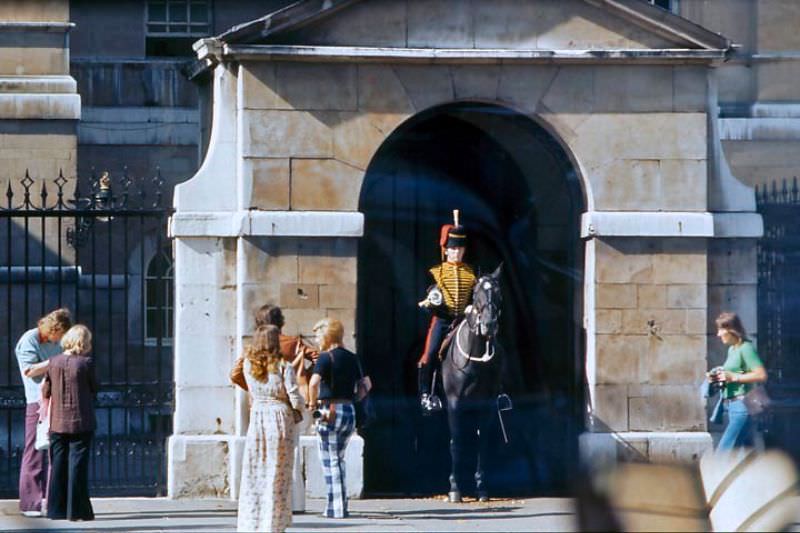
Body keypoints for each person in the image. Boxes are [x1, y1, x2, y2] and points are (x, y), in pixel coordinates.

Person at [237, 325, 303, 533]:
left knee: (255, 471)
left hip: (258, 417)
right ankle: (274, 524)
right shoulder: (284, 365)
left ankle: (251, 522)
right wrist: (300, 409)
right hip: (279, 417)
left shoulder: (248, 364)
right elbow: (294, 395)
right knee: (279, 473)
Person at [14, 308, 72, 517]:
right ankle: (30, 503)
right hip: (38, 402)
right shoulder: (30, 340)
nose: (60, 341)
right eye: (60, 335)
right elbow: (29, 371)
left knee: (55, 451)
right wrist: (56, 362)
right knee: (34, 451)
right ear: (53, 329)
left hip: (56, 400)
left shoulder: (54, 342)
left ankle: (54, 501)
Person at [417, 210, 476, 413]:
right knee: (430, 353)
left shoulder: (471, 273)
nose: (457, 253)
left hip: (464, 320)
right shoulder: (436, 272)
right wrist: (433, 299)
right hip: (443, 319)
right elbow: (429, 293)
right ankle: (426, 393)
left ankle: (498, 391)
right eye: (453, 249)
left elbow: (476, 296)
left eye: (460, 249)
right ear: (446, 250)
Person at [41, 324, 97, 521]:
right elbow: (94, 388)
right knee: (77, 466)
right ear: (83, 342)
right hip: (81, 421)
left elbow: (46, 391)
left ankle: (56, 510)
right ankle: (76, 511)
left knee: (58, 465)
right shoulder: (85, 363)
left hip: (57, 422)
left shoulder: (53, 362)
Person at [307, 318, 360, 518]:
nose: (317, 340)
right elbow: (366, 385)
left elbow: (313, 383)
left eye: (318, 336)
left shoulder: (325, 357)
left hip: (329, 409)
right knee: (339, 459)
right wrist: (354, 398)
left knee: (329, 461)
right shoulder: (353, 358)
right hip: (349, 410)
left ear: (327, 336)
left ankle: (335, 509)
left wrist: (312, 404)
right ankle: (342, 505)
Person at [710, 312, 767, 451]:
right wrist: (717, 376)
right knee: (742, 453)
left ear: (731, 330)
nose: (718, 334)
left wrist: (733, 377)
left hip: (743, 406)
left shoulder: (746, 348)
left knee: (724, 451)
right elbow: (736, 372)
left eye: (721, 330)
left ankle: (715, 472)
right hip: (732, 406)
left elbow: (761, 375)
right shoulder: (732, 350)